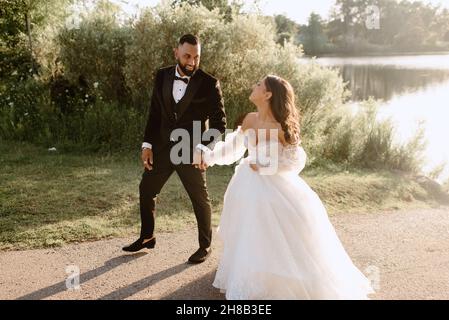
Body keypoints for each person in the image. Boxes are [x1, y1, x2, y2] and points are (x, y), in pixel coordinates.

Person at [196, 75, 375, 299]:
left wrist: (266, 164)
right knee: (249, 231)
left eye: (258, 84)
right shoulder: (250, 119)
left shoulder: (281, 127)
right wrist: (208, 157)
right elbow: (232, 148)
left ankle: (282, 282)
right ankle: (253, 277)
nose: (254, 86)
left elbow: (295, 160)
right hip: (246, 185)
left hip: (275, 186)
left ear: (268, 94)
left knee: (276, 232)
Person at [122, 34, 226, 264]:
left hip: (191, 151)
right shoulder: (162, 76)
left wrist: (203, 147)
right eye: (187, 55)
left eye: (197, 57)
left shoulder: (209, 83)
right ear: (176, 52)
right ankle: (148, 237)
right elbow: (155, 113)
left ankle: (205, 246)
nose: (192, 62)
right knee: (146, 190)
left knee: (200, 199)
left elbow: (220, 124)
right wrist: (147, 144)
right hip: (161, 148)